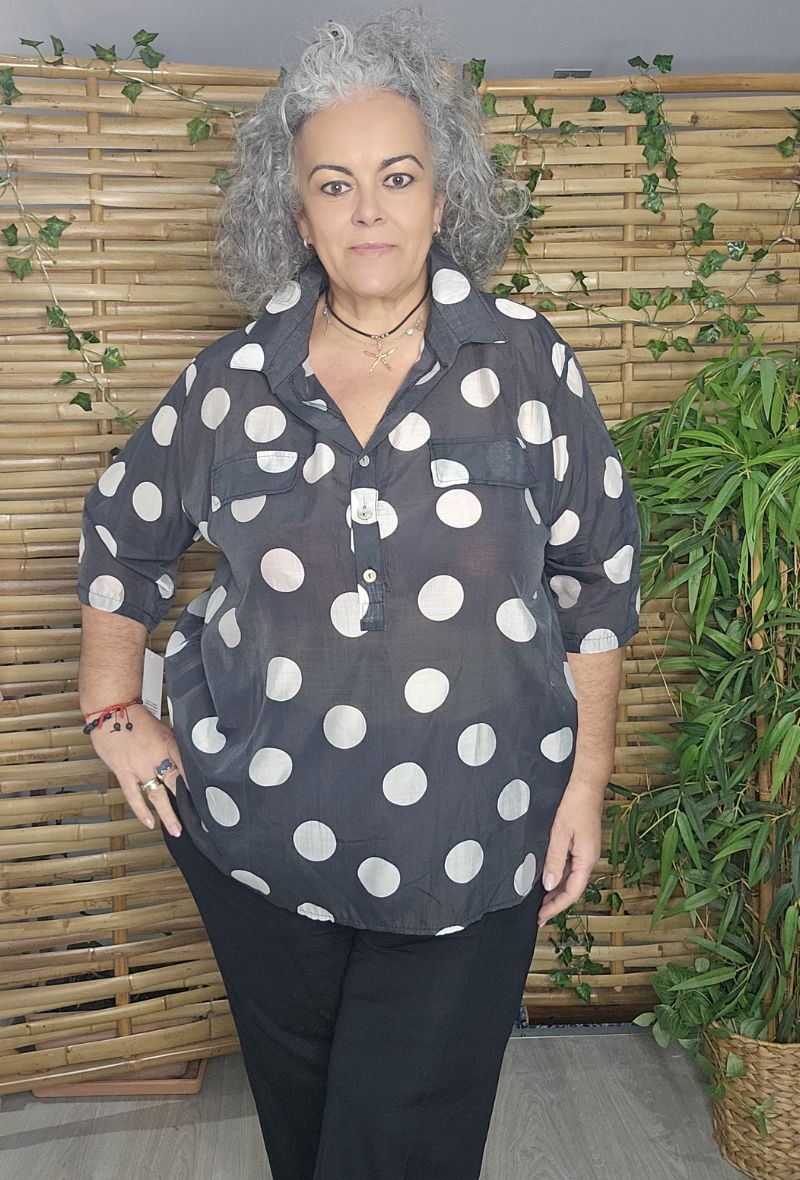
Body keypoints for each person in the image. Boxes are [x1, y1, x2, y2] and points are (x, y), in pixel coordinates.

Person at [76, 10, 641, 1179]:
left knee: (397, 1144)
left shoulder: (525, 362)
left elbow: (594, 576)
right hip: (257, 836)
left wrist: (585, 779)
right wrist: (111, 708)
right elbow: (123, 532)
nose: (367, 210)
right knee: (308, 1131)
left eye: (396, 176)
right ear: (295, 215)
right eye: (333, 185)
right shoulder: (232, 382)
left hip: (476, 832)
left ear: (443, 197)